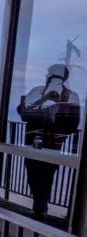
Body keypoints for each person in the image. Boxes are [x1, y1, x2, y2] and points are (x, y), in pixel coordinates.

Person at [17, 64, 82, 221]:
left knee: (40, 174)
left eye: (48, 73)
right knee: (41, 175)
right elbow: (24, 113)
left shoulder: (42, 91)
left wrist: (43, 107)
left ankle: (39, 209)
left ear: (52, 75)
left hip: (41, 142)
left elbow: (24, 112)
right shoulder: (70, 95)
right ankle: (40, 208)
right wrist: (46, 102)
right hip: (51, 143)